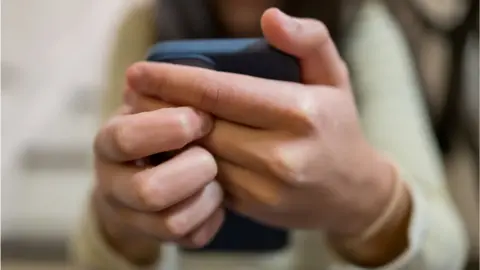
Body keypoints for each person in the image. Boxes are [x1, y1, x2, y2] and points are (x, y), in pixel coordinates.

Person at [70, 0, 469, 269]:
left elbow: (446, 248)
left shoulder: (361, 24)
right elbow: (89, 256)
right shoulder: (145, 25)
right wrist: (120, 220)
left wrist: (368, 200)